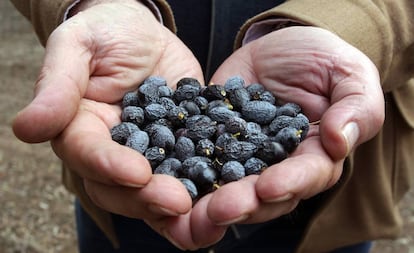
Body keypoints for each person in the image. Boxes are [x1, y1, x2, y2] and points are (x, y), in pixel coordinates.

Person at [9, 0, 414, 252]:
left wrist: (357, 25)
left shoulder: (252, 124)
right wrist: (91, 4)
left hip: (333, 211)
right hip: (123, 207)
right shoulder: (165, 122)